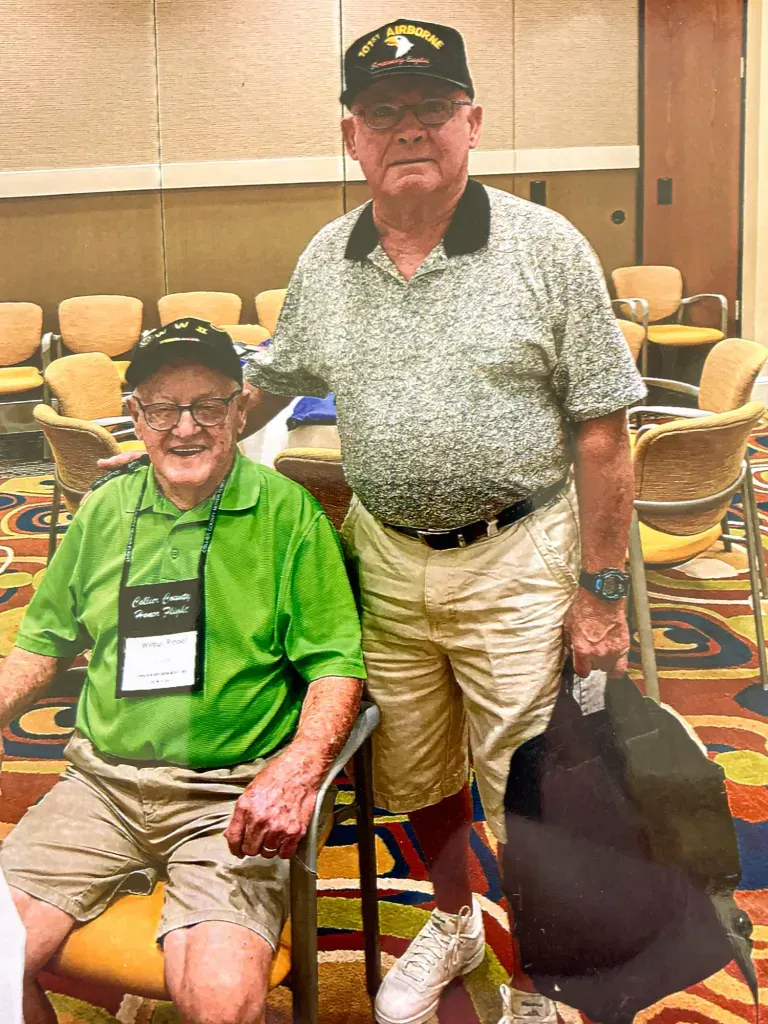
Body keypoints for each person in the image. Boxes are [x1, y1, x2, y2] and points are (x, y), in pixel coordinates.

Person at [104, 19, 647, 1023]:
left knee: (537, 791)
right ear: (352, 134)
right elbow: (272, 376)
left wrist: (601, 589)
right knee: (418, 772)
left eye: (431, 107)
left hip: (517, 555)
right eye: (385, 112)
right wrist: (189, 432)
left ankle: (542, 983)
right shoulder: (329, 257)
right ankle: (450, 920)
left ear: (472, 123)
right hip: (388, 560)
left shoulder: (544, 246)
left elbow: (607, 434)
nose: (410, 129)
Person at [0, 318, 366, 1024]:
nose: (186, 427)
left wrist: (297, 769)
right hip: (100, 785)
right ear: (136, 416)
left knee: (222, 1001)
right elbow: (41, 642)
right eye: (164, 408)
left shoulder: (288, 516)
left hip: (228, 796)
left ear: (239, 409)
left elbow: (335, 667)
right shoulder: (105, 511)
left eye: (206, 405)